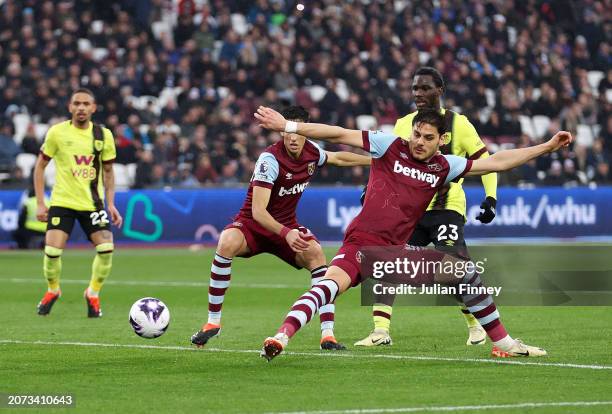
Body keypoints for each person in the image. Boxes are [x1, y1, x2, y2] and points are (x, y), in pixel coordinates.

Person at [254, 106, 572, 361]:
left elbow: (498, 162)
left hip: (393, 256)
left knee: (463, 271)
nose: (419, 141)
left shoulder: (444, 167)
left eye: (427, 137)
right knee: (328, 287)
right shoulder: (388, 145)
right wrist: (288, 126)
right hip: (361, 246)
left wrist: (546, 146)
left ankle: (503, 343)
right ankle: (280, 337)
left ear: (442, 140)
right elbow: (338, 133)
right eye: (417, 134)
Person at [190, 106, 371, 350]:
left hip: (286, 227)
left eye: (296, 132)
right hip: (253, 226)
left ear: (305, 132)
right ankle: (213, 323)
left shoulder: (311, 153)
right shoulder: (269, 160)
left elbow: (339, 157)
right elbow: (258, 212)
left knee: (317, 255)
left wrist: (375, 161)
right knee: (226, 241)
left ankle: (328, 335)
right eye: (287, 131)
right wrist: (288, 233)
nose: (293, 138)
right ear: (281, 132)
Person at [356, 67, 497, 348]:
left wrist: (490, 197)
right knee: (387, 262)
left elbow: (486, 160)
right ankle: (380, 331)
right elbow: (385, 162)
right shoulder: (404, 124)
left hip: (447, 208)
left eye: (424, 88)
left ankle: (475, 325)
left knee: (455, 269)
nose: (418, 94)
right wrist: (369, 190)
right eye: (415, 89)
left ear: (440, 91)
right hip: (409, 210)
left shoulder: (460, 124)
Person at [33, 88, 122, 318]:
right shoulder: (57, 133)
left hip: (93, 204)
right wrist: (41, 203)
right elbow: (40, 167)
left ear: (93, 108)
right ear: (69, 107)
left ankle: (92, 293)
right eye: (76, 103)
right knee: (52, 251)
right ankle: (53, 290)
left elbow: (109, 172)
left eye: (85, 103)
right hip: (63, 202)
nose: (81, 107)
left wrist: (110, 203)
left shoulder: (104, 136)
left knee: (106, 249)